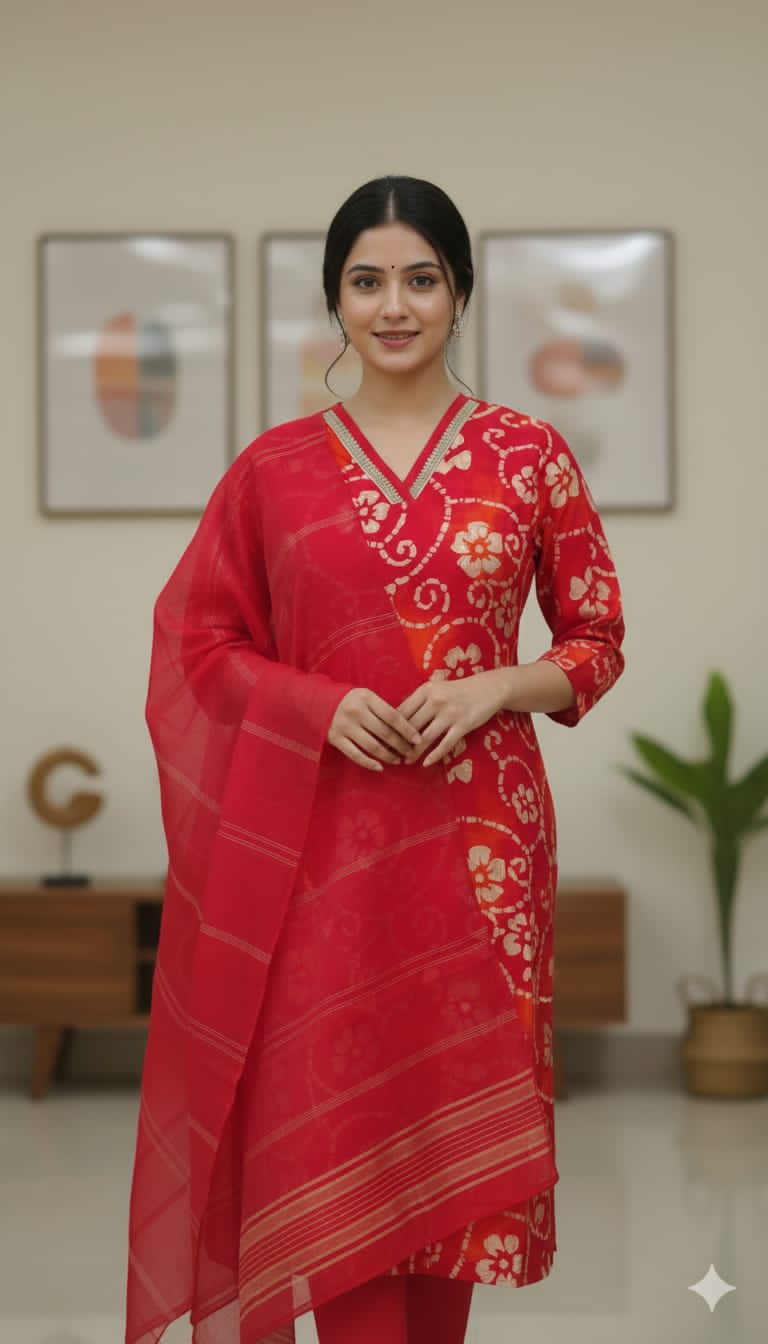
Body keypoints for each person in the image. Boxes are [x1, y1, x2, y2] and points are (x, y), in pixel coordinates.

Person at [125, 176, 625, 1344]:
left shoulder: (528, 455)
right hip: (323, 852)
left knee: (453, 1140)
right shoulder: (275, 470)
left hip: (484, 852)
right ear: (335, 300)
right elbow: (201, 644)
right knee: (338, 1129)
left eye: (420, 279)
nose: (393, 305)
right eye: (366, 281)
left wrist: (499, 686)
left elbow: (597, 641)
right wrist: (314, 703)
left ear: (459, 293)